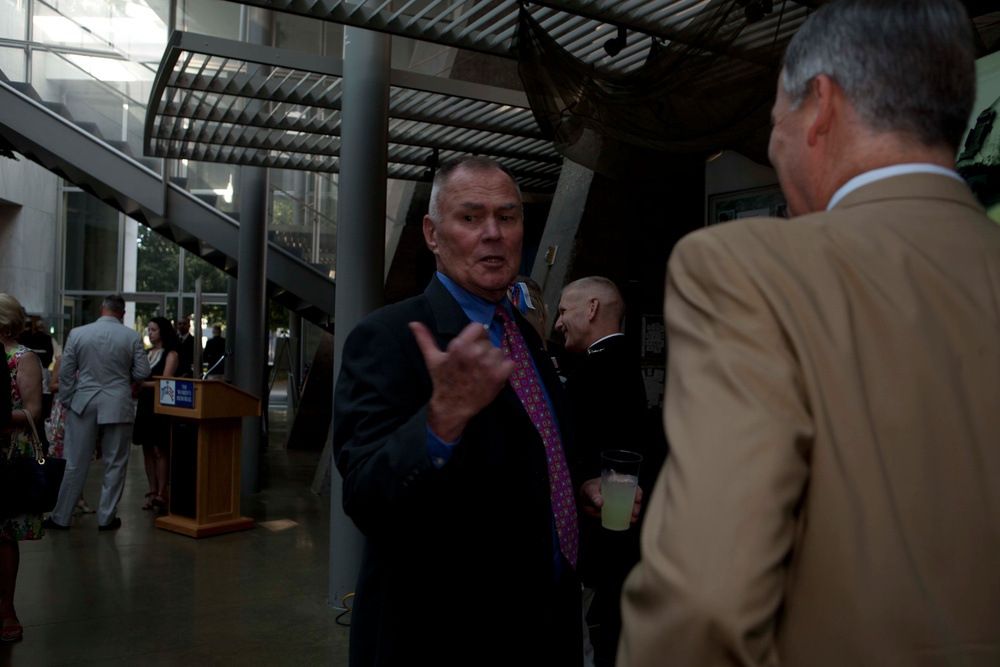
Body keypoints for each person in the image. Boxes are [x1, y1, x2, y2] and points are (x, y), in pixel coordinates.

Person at [618, 1, 1000, 666]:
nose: (775, 145)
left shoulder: (746, 269)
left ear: (819, 106)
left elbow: (705, 602)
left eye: (775, 122)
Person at [333, 156, 584, 666]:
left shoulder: (524, 334)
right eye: (470, 217)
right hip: (447, 637)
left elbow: (532, 458)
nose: (493, 233)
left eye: (507, 217)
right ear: (431, 232)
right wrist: (439, 419)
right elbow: (366, 497)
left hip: (547, 626)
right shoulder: (389, 338)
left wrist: (581, 490)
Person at [554, 276, 648, 667]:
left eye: (562, 311)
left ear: (590, 309)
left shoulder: (596, 370)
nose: (558, 323)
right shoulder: (624, 363)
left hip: (599, 538)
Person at [43, 294, 149, 531]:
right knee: (115, 463)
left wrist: (69, 399)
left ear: (102, 309)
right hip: (118, 403)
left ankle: (61, 517)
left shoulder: (79, 334)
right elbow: (142, 371)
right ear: (122, 313)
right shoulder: (131, 336)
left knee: (74, 462)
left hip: (83, 402)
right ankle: (106, 517)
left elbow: (67, 372)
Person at [0, 293, 44, 642]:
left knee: (3, 535)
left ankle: (6, 609)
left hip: (8, 454)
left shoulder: (22, 358)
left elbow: (32, 411)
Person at [132, 317, 178, 511]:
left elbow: (165, 382)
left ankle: (162, 491)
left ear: (163, 331)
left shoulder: (171, 354)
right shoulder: (146, 354)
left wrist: (142, 384)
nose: (150, 333)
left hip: (160, 405)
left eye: (153, 330)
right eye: (148, 330)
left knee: (159, 449)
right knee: (147, 449)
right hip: (144, 404)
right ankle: (152, 491)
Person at [45, 355, 96, 515]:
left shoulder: (88, 361)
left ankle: (77, 498)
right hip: (63, 410)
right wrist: (72, 385)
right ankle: (61, 500)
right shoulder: (62, 360)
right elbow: (52, 386)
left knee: (79, 455)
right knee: (60, 455)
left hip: (81, 408)